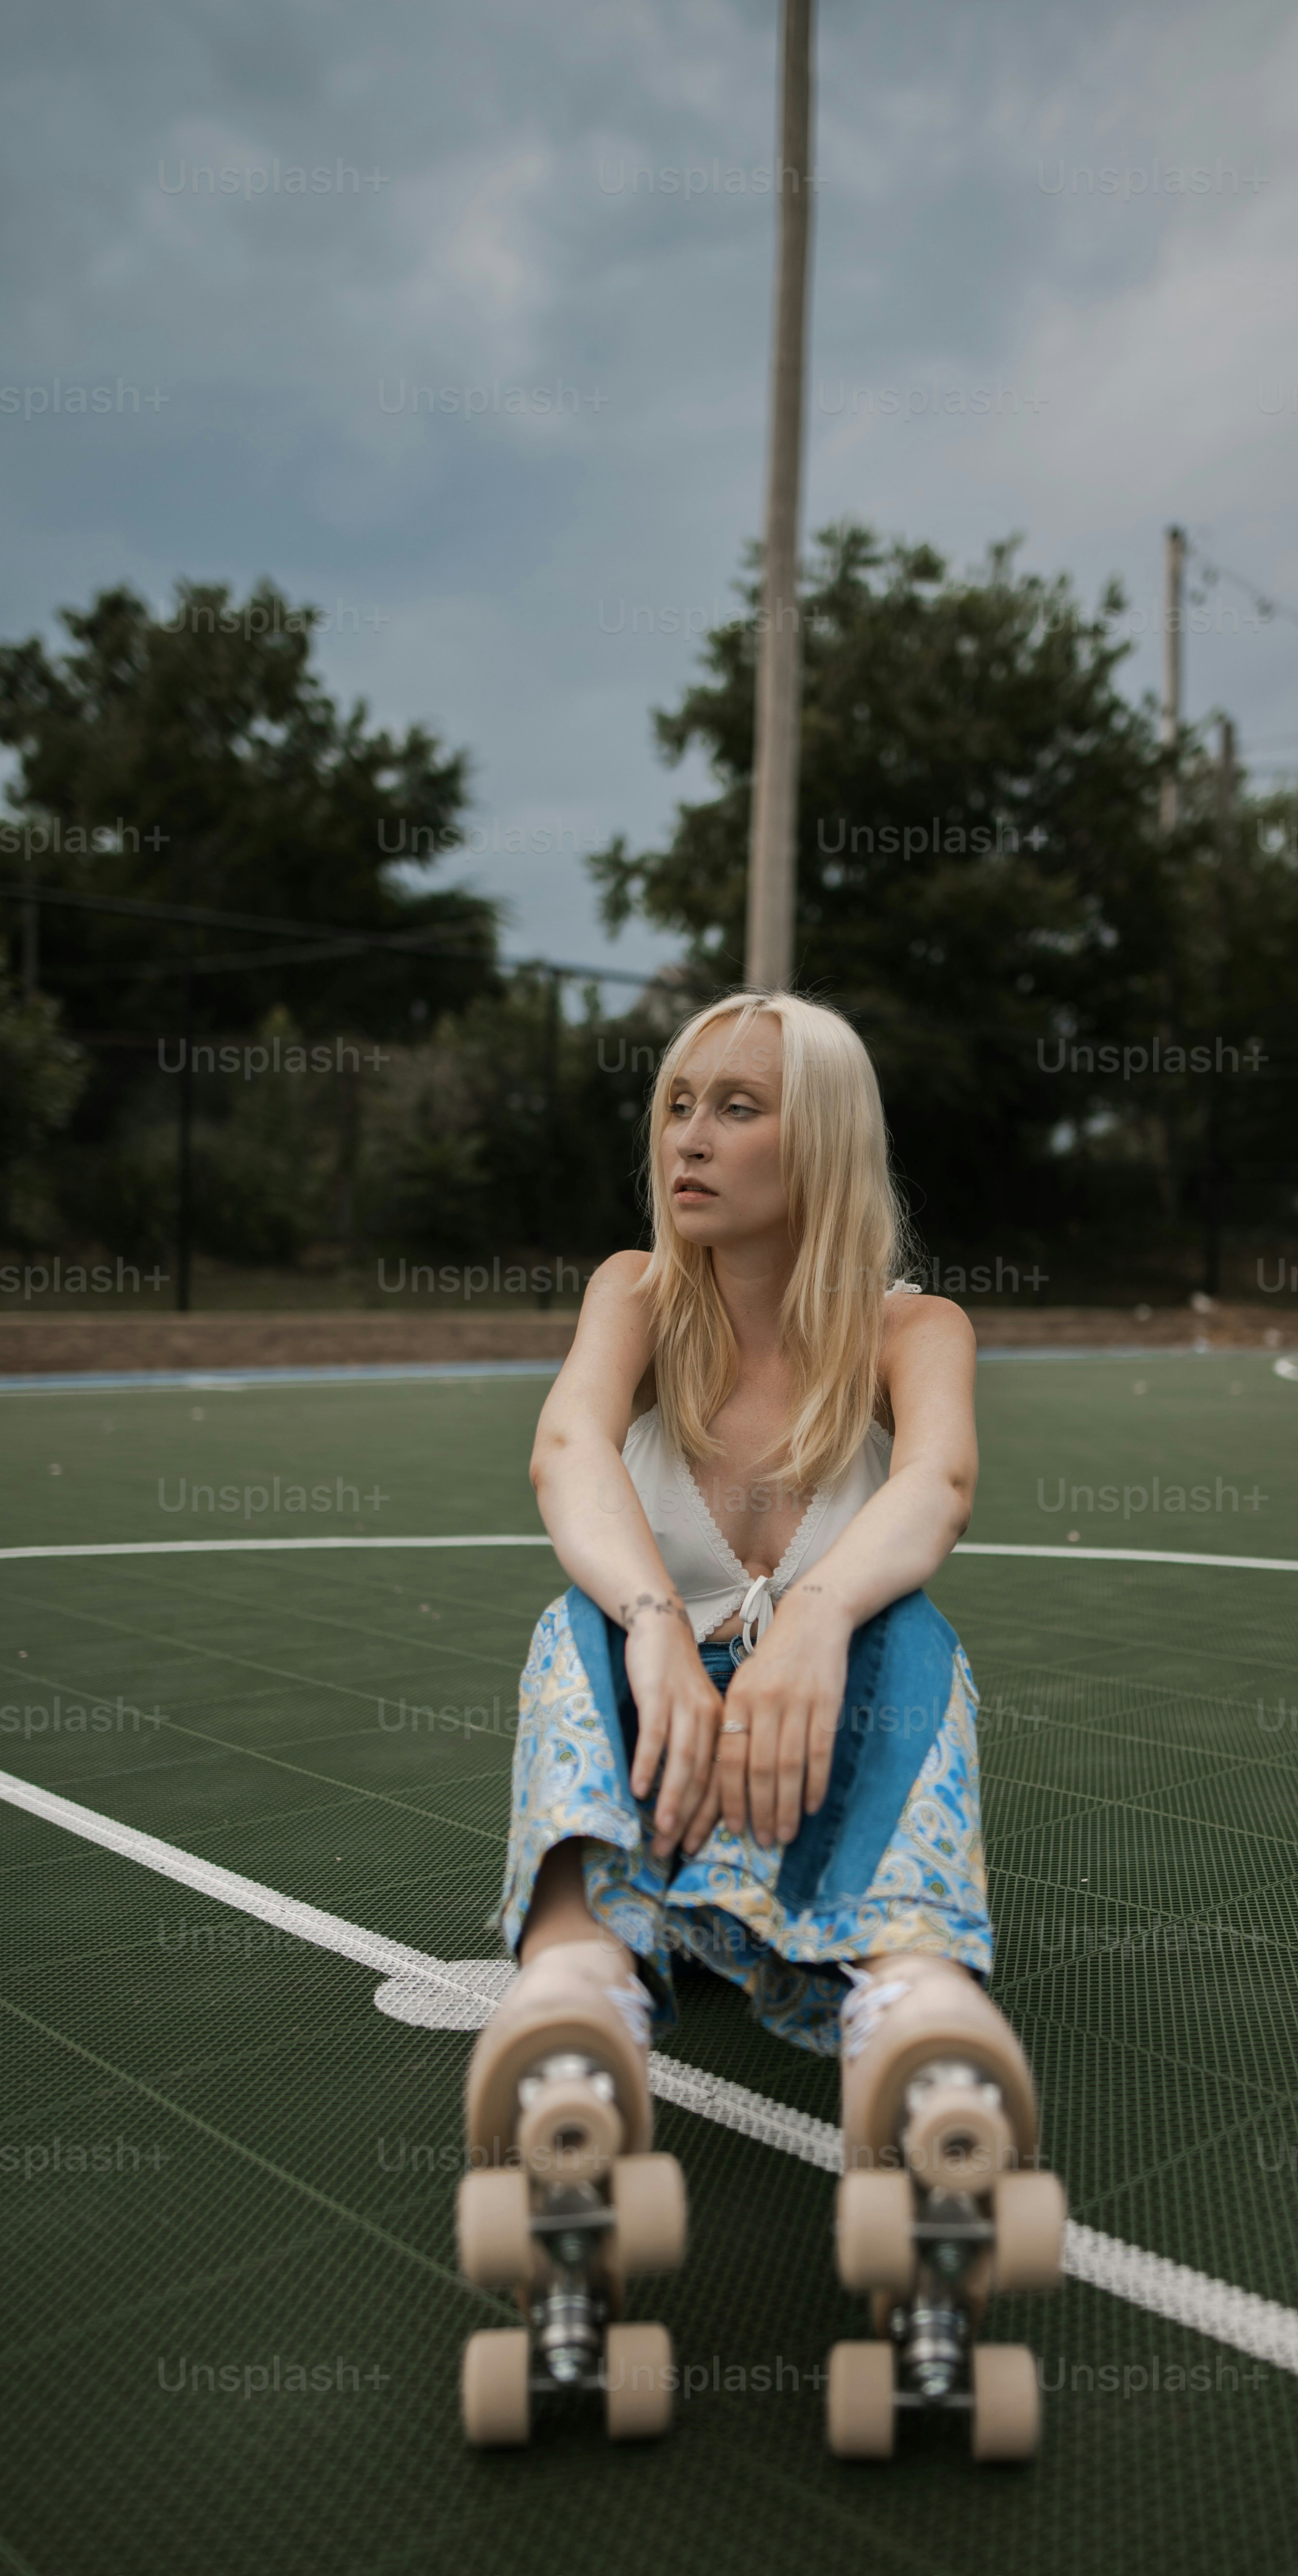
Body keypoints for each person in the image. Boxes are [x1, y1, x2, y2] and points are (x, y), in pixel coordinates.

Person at [455, 989, 1064, 2460]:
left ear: (829, 1139)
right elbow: (566, 1450)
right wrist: (662, 1625)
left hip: (813, 1809)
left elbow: (935, 1490)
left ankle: (919, 2025)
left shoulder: (914, 1329)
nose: (692, 1137)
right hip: (664, 1797)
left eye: (740, 1106)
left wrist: (811, 1618)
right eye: (678, 1103)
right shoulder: (636, 1299)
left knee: (909, 1630)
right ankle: (577, 2012)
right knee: (577, 1625)